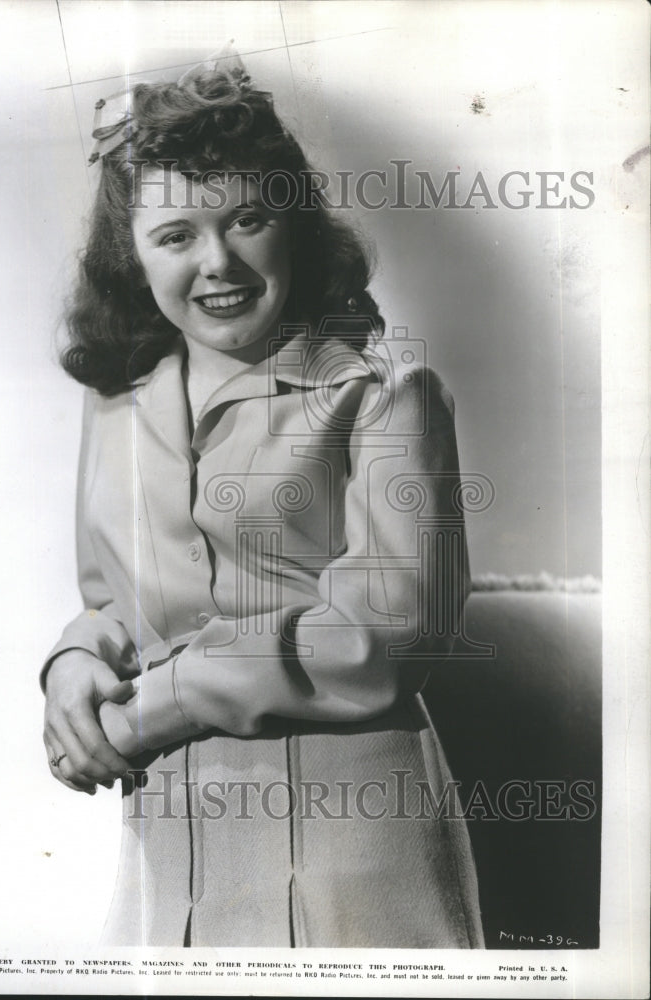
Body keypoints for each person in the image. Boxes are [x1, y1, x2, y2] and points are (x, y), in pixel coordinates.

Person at [42, 45, 484, 949]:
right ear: (131, 256)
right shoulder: (116, 409)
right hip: (170, 843)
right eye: (176, 235)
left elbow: (388, 635)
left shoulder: (385, 396)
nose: (218, 262)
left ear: (295, 227)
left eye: (247, 220)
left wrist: (163, 698)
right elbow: (111, 599)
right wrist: (76, 662)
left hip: (358, 846)